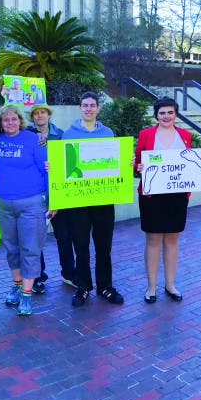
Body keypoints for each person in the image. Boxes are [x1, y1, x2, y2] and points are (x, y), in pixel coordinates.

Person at [135, 97, 201, 304]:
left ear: (175, 114)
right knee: (153, 239)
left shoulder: (185, 135)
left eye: (170, 112)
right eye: (162, 113)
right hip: (152, 196)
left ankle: (170, 285)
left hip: (177, 195)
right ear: (156, 115)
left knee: (173, 239)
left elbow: (191, 162)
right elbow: (137, 163)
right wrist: (138, 168)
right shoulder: (146, 135)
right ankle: (151, 287)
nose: (166, 116)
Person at [63, 92, 124, 307]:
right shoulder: (68, 135)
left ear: (98, 109)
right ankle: (84, 287)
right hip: (78, 202)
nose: (88, 109)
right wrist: (54, 167)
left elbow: (114, 164)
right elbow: (65, 167)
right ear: (80, 108)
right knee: (80, 246)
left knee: (103, 247)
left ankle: (105, 286)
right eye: (85, 105)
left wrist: (127, 161)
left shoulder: (108, 133)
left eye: (92, 105)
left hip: (104, 199)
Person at [0, 106, 51, 316]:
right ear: (1, 123)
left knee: (30, 248)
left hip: (31, 203)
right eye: (6, 120)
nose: (10, 123)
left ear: (20, 120)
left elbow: (47, 169)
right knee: (12, 248)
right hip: (3, 203)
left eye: (14, 119)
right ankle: (16, 285)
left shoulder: (33, 139)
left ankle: (27, 294)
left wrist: (52, 201)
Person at [28, 103, 74, 292]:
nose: (40, 116)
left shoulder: (61, 134)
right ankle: (38, 277)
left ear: (48, 115)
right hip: (37, 193)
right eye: (36, 113)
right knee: (36, 238)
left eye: (43, 112)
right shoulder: (27, 136)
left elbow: (69, 159)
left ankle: (69, 273)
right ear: (32, 117)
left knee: (64, 235)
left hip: (57, 193)